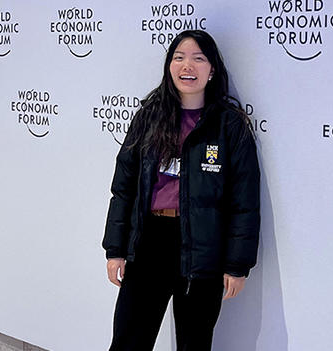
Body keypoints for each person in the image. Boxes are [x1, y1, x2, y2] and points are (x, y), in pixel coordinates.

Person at [102, 29, 261, 351]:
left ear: (212, 69)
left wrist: (236, 265)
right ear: (169, 66)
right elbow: (124, 189)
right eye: (179, 57)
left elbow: (244, 200)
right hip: (150, 243)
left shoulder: (229, 125)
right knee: (128, 341)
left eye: (198, 58)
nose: (187, 65)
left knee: (194, 343)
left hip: (203, 250)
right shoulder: (149, 117)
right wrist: (115, 249)